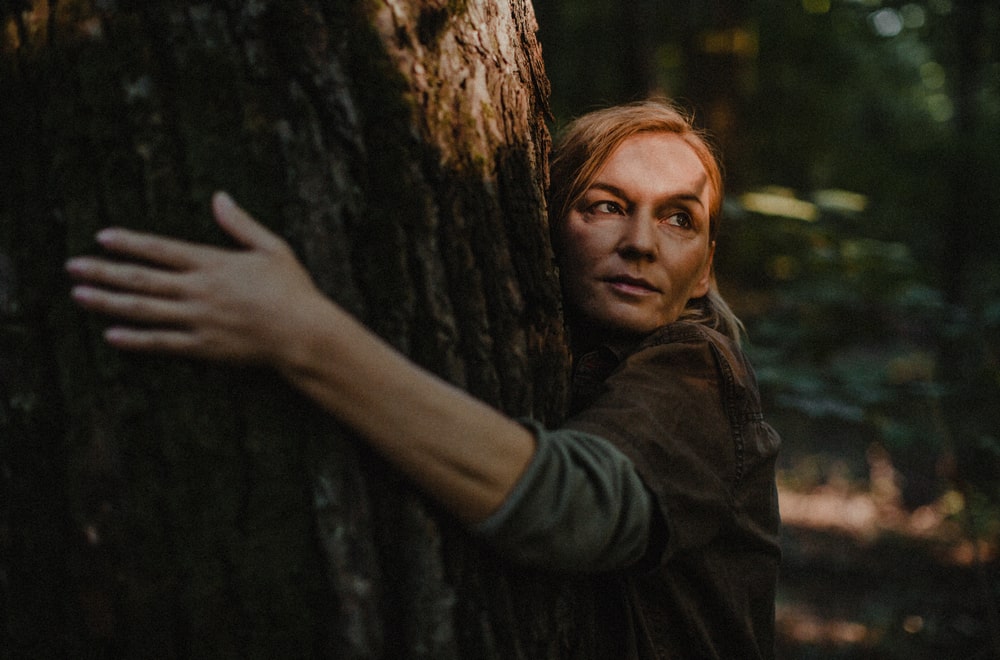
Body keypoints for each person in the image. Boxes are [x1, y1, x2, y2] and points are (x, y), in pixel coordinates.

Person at [66, 99, 781, 659]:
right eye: (605, 205)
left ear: (705, 268)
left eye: (679, 219)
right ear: (547, 223)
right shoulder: (574, 360)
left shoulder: (697, 372)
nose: (640, 242)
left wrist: (302, 335)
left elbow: (574, 509)